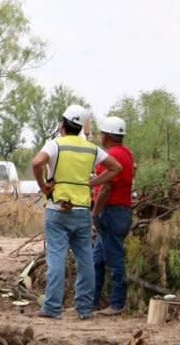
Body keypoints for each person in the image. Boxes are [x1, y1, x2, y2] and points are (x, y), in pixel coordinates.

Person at [31, 104, 122, 320]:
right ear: (80, 127)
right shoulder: (90, 148)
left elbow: (37, 162)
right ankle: (84, 309)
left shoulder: (55, 145)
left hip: (57, 209)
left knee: (56, 259)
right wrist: (91, 183)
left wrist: (43, 185)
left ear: (62, 124)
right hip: (82, 211)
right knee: (86, 261)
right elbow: (116, 167)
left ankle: (53, 308)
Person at [91, 116, 135, 315]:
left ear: (107, 135)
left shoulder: (109, 157)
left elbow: (106, 188)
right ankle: (91, 302)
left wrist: (95, 213)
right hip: (122, 212)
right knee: (96, 260)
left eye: (101, 133)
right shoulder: (127, 154)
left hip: (111, 212)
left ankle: (117, 305)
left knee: (115, 259)